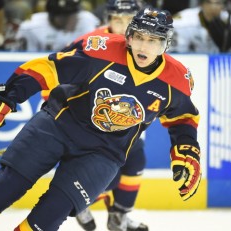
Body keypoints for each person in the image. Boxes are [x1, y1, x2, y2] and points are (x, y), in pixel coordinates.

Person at [0, 6, 202, 231]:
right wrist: (7, 97)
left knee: (47, 219)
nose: (143, 46)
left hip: (105, 151)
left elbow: (183, 118)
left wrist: (187, 149)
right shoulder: (101, 52)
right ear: (130, 37)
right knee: (1, 189)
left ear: (165, 44)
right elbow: (49, 68)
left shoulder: (177, 81)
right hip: (58, 124)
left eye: (153, 40)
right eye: (138, 37)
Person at [74, 1, 148, 231]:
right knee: (110, 176)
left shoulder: (146, 43)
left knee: (136, 163)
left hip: (127, 123)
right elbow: (55, 80)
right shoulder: (89, 43)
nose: (125, 26)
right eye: (118, 20)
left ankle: (120, 217)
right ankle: (80, 202)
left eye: (130, 20)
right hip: (93, 125)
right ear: (108, 19)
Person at [13, 0, 100, 51]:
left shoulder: (88, 20)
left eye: (75, 13)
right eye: (69, 16)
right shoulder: (30, 28)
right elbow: (23, 60)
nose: (75, 18)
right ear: (55, 16)